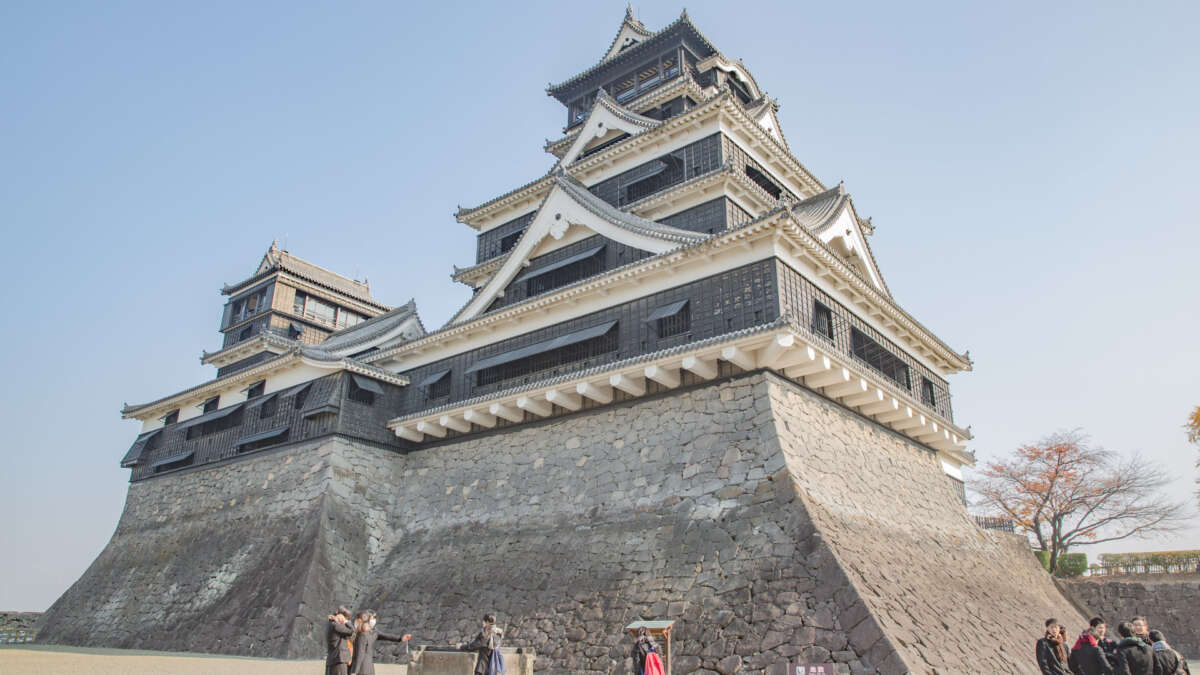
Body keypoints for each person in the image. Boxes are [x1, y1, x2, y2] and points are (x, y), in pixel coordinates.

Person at [349, 610, 412, 675]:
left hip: (361, 669)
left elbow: (360, 654)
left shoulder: (361, 635)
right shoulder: (373, 632)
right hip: (369, 668)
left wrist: (354, 671)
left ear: (360, 620)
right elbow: (387, 636)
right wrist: (400, 638)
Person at [326, 606, 356, 675]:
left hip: (334, 659)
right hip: (339, 659)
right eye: (346, 618)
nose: (346, 620)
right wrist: (346, 622)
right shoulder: (336, 625)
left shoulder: (331, 624)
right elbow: (352, 631)